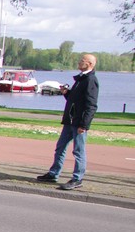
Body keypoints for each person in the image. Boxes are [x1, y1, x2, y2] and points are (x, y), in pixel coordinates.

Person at [36, 53, 100, 190]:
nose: (79, 62)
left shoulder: (90, 80)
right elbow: (75, 100)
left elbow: (91, 105)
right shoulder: (81, 78)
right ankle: (54, 173)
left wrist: (84, 124)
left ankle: (77, 179)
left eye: (82, 60)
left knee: (78, 151)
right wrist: (67, 93)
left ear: (89, 64)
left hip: (79, 123)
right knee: (60, 147)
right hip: (70, 121)